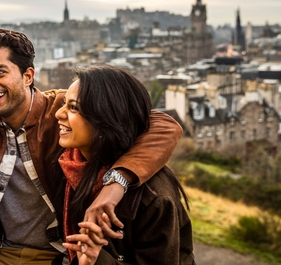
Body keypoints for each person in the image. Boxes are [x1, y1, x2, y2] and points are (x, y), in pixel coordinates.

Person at [0, 28, 183, 265]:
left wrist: (115, 184)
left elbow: (161, 124)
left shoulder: (63, 108)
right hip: (0, 252)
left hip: (60, 253)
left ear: (28, 76)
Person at [55, 65, 195, 265]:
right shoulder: (71, 165)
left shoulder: (154, 197)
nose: (58, 114)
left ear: (105, 118)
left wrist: (97, 260)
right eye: (63, 104)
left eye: (73, 107)